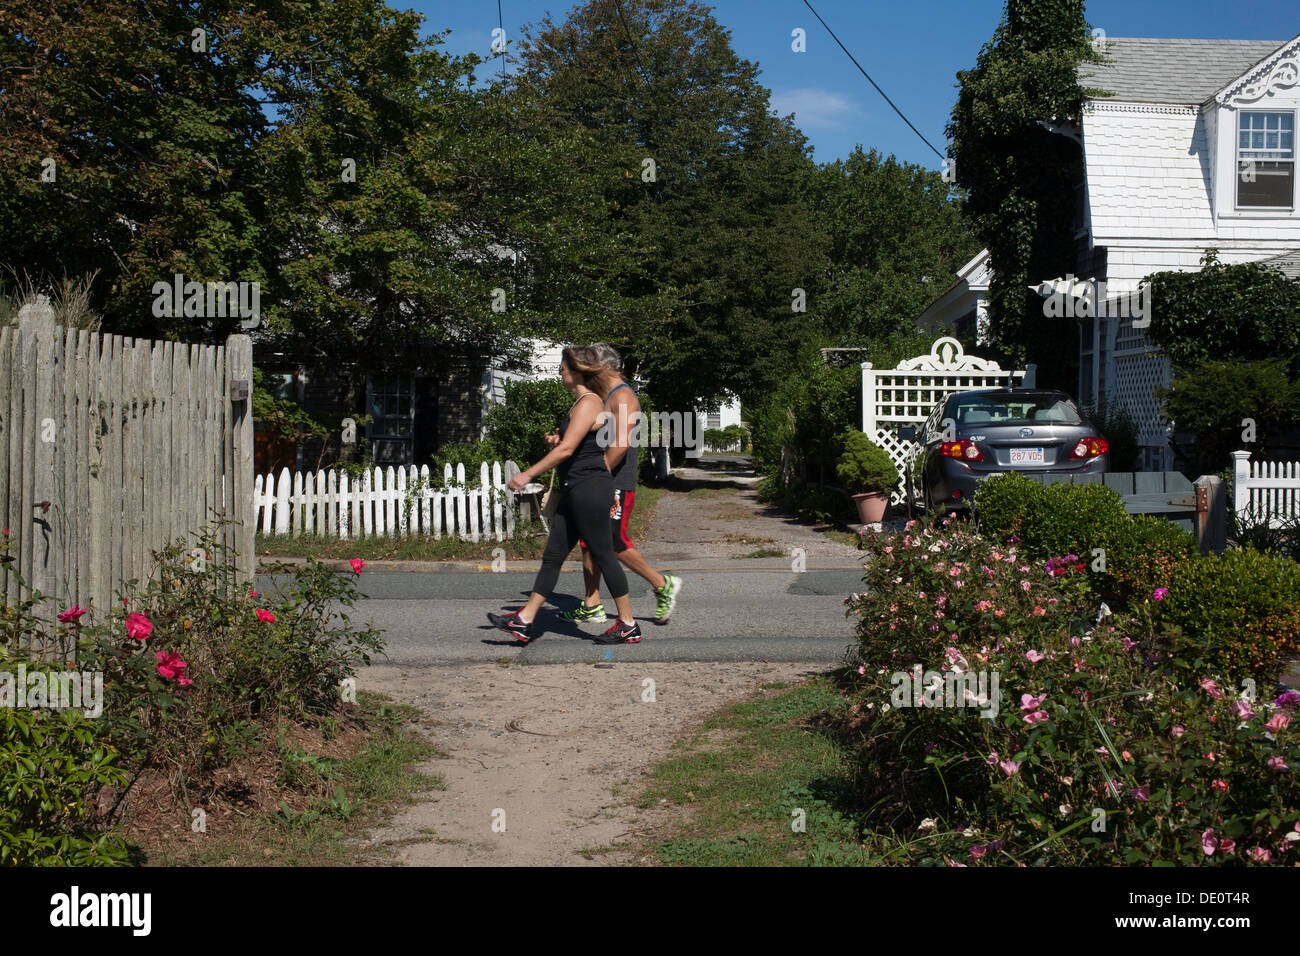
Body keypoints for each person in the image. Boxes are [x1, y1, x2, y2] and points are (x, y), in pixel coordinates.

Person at [487, 346, 642, 645]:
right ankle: (525, 619)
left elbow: (569, 450)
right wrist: (560, 439)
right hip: (576, 487)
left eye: (562, 367)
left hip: (589, 488)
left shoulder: (589, 402)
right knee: (553, 556)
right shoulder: (584, 404)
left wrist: (528, 474)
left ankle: (628, 624)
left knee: (603, 554)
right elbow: (580, 443)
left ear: (576, 371)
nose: (559, 372)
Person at [558, 342, 682, 625]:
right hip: (600, 479)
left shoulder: (623, 397)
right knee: (589, 542)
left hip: (615, 481)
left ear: (603, 366)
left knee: (613, 543)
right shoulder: (603, 395)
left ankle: (662, 584)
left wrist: (596, 474)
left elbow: (621, 444)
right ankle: (592, 604)